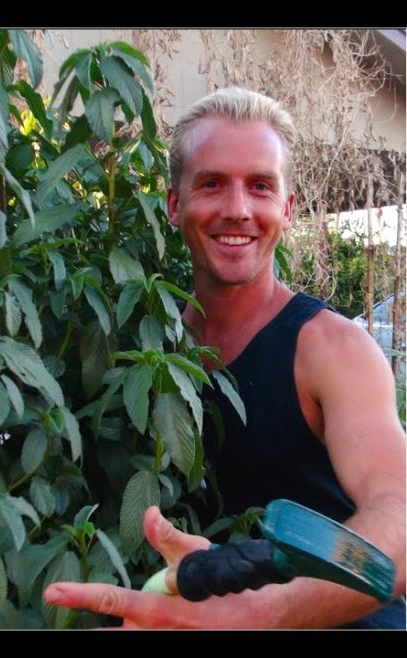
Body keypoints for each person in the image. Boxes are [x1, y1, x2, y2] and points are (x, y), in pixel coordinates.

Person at [43, 87, 406, 628]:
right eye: (212, 184)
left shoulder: (331, 349)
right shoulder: (146, 342)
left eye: (260, 187)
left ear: (286, 208)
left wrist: (268, 611)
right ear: (173, 204)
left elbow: (400, 516)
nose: (238, 209)